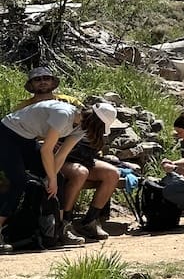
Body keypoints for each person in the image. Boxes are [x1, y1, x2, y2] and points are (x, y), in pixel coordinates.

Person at [0, 99, 117, 253]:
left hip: (26, 139)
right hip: (6, 134)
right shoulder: (63, 115)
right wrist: (51, 178)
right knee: (18, 181)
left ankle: (58, 229)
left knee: (59, 178)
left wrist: (52, 177)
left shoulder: (82, 127)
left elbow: (61, 155)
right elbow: (46, 150)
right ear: (96, 124)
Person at [16, 67, 118, 241]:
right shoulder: (23, 106)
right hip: (50, 153)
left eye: (46, 78)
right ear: (31, 84)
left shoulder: (68, 101)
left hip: (76, 151)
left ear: (53, 81)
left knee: (112, 173)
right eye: (38, 79)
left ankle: (90, 222)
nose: (42, 81)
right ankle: (65, 224)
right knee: (80, 173)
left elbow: (83, 123)